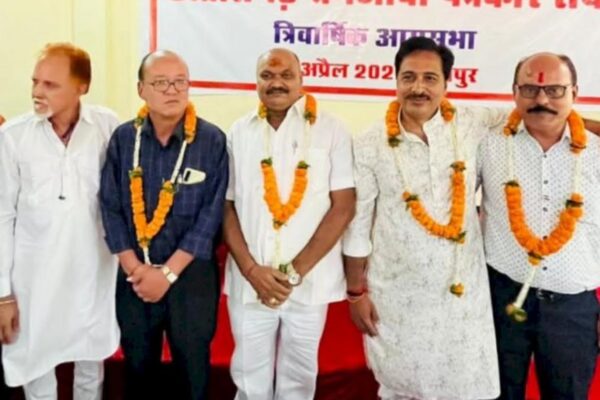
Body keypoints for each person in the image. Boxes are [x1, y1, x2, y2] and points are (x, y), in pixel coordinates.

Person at [343, 37, 505, 399]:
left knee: (464, 387)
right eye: (409, 77)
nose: (419, 88)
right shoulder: (369, 142)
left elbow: (537, 113)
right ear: (395, 80)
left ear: (447, 83)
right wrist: (355, 293)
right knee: (402, 387)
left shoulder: (471, 122)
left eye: (430, 78)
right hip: (397, 294)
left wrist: (584, 125)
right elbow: (358, 224)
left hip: (461, 295)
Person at [223, 48, 355, 400]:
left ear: (301, 79)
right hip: (251, 283)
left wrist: (294, 273)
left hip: (308, 283)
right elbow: (226, 206)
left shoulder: (331, 129)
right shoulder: (239, 132)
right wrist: (252, 271)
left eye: (286, 75)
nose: (276, 83)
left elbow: (343, 206)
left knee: (299, 378)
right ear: (256, 81)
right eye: (267, 75)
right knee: (249, 378)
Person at [100, 50, 227, 400]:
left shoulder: (212, 140)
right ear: (141, 89)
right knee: (139, 372)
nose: (172, 90)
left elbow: (211, 215)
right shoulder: (124, 139)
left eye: (180, 82)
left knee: (193, 373)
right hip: (135, 277)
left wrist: (167, 274)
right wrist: (136, 269)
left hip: (190, 276)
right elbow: (110, 207)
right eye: (160, 83)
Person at [0, 43, 120, 400]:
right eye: (35, 81)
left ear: (82, 86)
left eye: (50, 84)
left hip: (92, 272)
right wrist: (3, 294)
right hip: (34, 279)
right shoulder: (12, 137)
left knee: (90, 366)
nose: (37, 92)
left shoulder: (106, 127)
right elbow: (2, 216)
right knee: (36, 367)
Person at [478, 52, 600, 400]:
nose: (542, 100)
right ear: (514, 92)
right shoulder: (488, 143)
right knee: (497, 393)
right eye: (530, 89)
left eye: (555, 90)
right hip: (501, 298)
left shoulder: (597, 152)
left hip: (573, 310)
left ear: (575, 92)